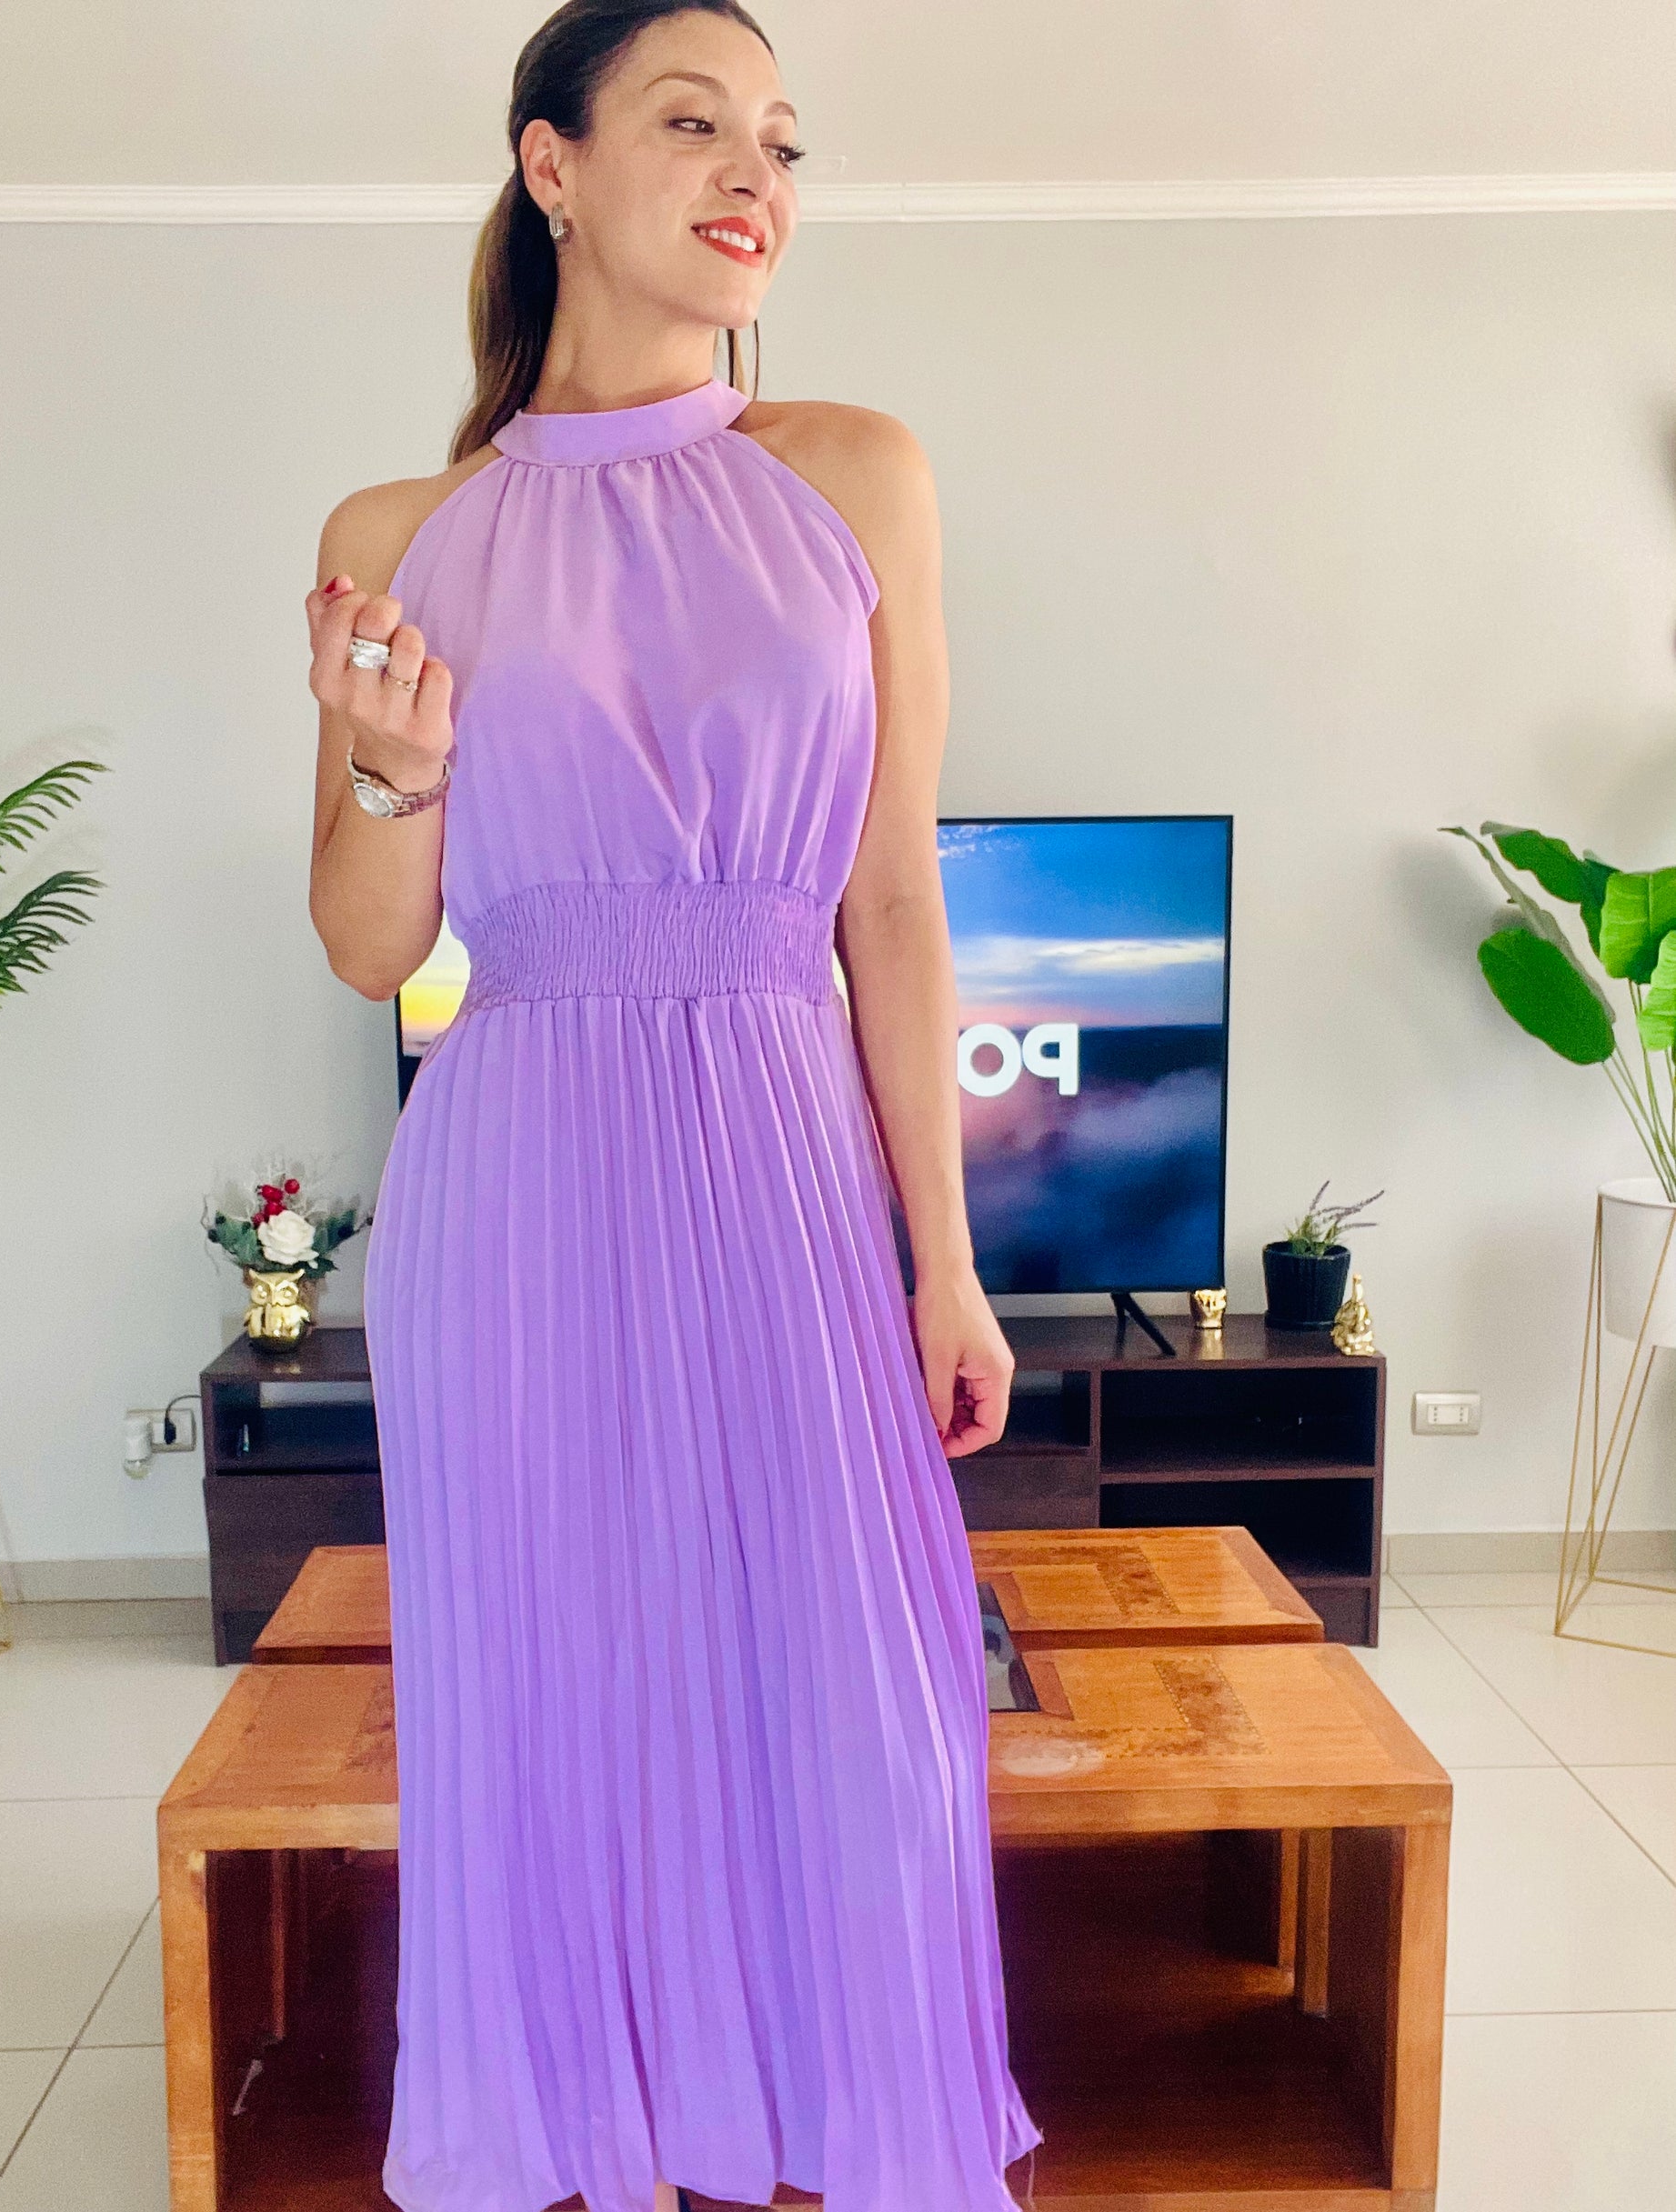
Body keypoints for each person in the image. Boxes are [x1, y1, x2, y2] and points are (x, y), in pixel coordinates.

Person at [306, 5, 1042, 2207]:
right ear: (550, 166)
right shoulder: (398, 528)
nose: (756, 177)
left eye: (783, 143)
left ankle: (810, 2122)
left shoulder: (855, 472)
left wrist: (947, 1261)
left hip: (784, 1153)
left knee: (860, 1707)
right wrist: (394, 773)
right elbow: (367, 945)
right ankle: (586, 2139)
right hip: (514, 1168)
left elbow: (890, 900)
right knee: (556, 1712)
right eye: (695, 121)